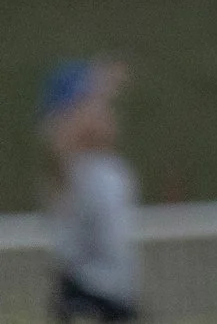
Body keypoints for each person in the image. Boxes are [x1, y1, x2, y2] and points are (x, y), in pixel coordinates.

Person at [39, 60, 138, 324]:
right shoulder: (75, 170)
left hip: (116, 293)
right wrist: (98, 85)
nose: (104, 113)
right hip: (86, 294)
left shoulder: (108, 169)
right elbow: (60, 137)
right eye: (87, 105)